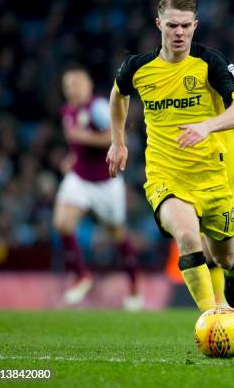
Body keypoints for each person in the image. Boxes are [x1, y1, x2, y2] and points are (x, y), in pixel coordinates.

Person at [107, 0, 234, 312]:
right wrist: (118, 141)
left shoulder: (210, 62)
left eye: (186, 26)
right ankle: (210, 315)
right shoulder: (138, 68)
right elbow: (118, 95)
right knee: (187, 237)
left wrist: (207, 126)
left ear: (195, 25)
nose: (179, 33)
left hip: (211, 177)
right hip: (165, 175)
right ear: (159, 24)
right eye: (172, 25)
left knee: (223, 253)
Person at [53, 65, 142, 310]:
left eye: (77, 84)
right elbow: (76, 144)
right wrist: (72, 157)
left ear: (89, 85)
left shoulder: (98, 108)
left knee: (117, 233)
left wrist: (85, 138)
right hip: (80, 178)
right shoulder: (68, 110)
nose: (73, 89)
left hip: (106, 182)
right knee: (62, 223)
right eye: (69, 85)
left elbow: (115, 136)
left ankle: (134, 283)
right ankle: (83, 276)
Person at [164, 119, 234, 306]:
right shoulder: (193, 111)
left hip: (233, 190)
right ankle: (221, 302)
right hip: (203, 188)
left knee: (233, 239)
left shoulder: (230, 110)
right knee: (206, 248)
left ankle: (233, 274)